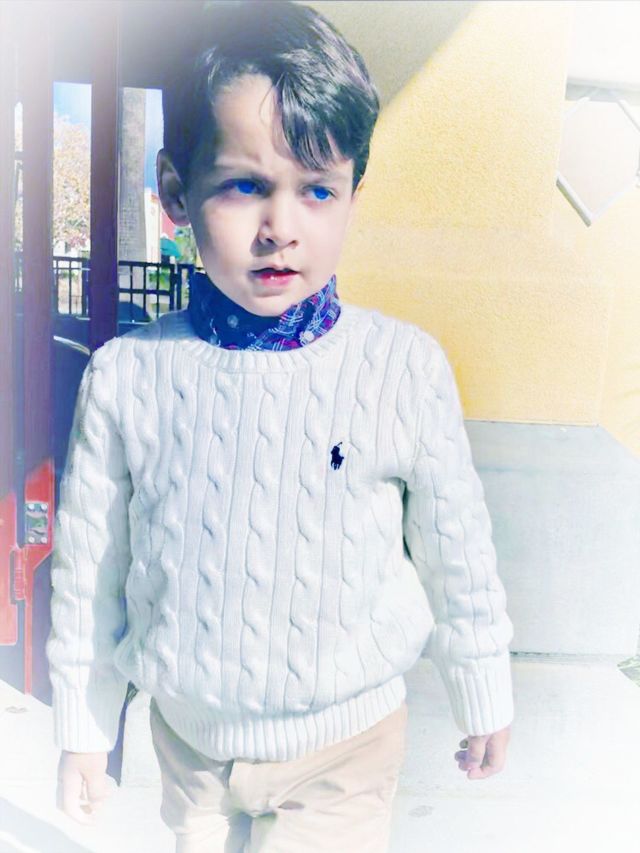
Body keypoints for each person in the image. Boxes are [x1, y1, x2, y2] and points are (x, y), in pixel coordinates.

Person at [46, 2, 515, 851]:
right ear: (175, 191)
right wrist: (84, 723)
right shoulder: (127, 377)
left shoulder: (402, 368)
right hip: (189, 746)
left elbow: (458, 547)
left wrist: (482, 680)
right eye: (245, 185)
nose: (281, 228)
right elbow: (92, 567)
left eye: (317, 190)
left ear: (353, 197)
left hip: (347, 745)